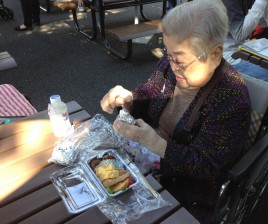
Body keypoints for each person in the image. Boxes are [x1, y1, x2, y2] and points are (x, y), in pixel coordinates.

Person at [100, 0, 251, 223]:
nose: (172, 65)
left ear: (215, 55)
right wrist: (129, 99)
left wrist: (157, 145)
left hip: (187, 192)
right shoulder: (173, 62)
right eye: (168, 54)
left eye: (180, 60)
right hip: (147, 163)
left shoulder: (232, 99)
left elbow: (207, 167)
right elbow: (150, 93)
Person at [223, 0, 268, 85]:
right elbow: (239, 34)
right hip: (226, 56)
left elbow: (264, 23)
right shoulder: (229, 2)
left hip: (242, 50)